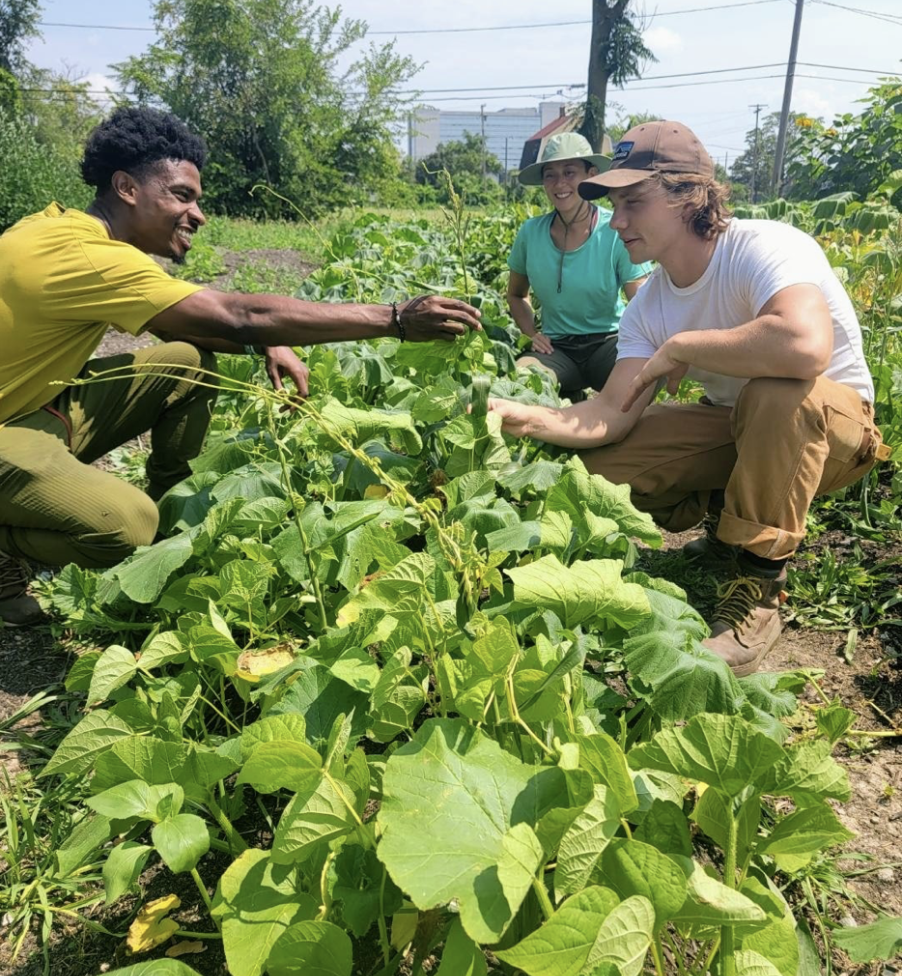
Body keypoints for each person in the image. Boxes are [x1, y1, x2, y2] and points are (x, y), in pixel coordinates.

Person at [0, 106, 481, 625]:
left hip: (25, 411)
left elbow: (176, 324)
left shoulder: (57, 230)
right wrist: (395, 318)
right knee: (125, 524)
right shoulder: (91, 256)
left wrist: (264, 341)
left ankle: (169, 530)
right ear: (127, 187)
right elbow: (236, 315)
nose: (198, 214)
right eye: (181, 195)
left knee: (184, 364)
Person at [488, 120, 887, 675]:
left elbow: (803, 347)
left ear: (689, 195)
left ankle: (760, 584)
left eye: (634, 201)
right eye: (613, 204)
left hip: (832, 431)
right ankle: (730, 522)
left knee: (777, 395)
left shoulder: (762, 246)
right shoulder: (650, 302)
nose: (618, 220)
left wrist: (685, 346)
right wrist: (520, 416)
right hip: (734, 425)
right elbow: (610, 412)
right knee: (602, 469)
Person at [507, 132, 651, 401]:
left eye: (570, 172)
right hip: (555, 348)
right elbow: (516, 294)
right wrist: (532, 334)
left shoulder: (614, 229)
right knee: (520, 384)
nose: (560, 183)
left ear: (591, 174)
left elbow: (641, 297)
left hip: (608, 344)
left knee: (641, 379)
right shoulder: (530, 233)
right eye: (550, 174)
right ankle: (568, 394)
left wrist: (647, 343)